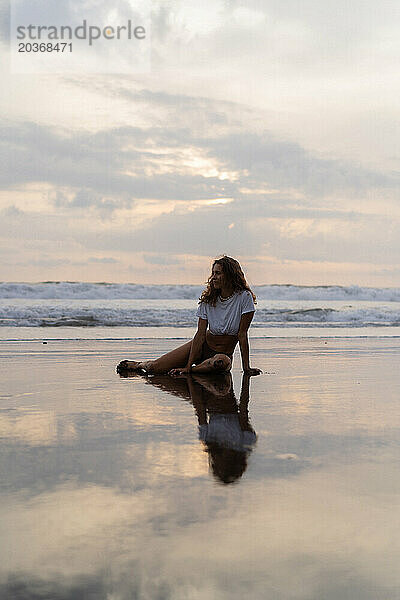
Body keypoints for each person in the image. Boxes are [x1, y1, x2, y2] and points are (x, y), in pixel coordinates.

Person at [117, 255, 262, 376]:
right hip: (202, 346)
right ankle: (138, 365)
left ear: (230, 275)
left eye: (218, 273)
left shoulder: (244, 297)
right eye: (213, 273)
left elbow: (242, 334)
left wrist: (246, 368)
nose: (214, 277)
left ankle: (192, 370)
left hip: (222, 354)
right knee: (156, 369)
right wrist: (187, 364)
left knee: (220, 364)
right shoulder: (208, 299)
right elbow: (200, 335)